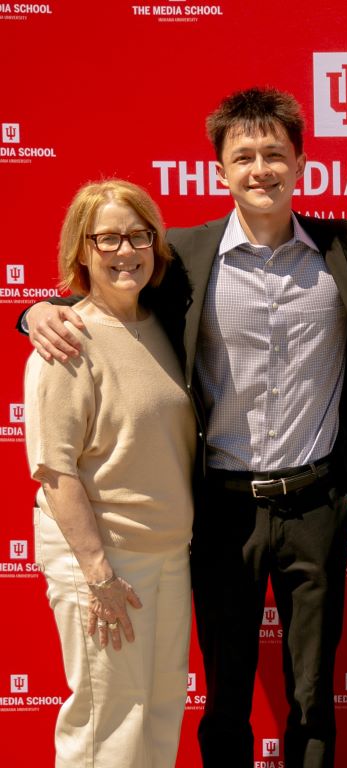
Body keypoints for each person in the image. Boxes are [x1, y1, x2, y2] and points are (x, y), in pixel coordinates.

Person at [21, 88, 347, 768]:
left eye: (275, 153)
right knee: (225, 694)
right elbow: (107, 291)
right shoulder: (182, 254)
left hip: (316, 506)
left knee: (312, 696)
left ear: (301, 161)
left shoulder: (344, 247)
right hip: (218, 511)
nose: (260, 168)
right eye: (244, 156)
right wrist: (36, 309)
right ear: (220, 170)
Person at [23, 180, 196, 768]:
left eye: (138, 234)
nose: (126, 251)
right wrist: (98, 575)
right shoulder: (65, 340)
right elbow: (55, 470)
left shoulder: (164, 322)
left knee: (160, 712)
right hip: (105, 561)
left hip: (169, 555)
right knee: (106, 727)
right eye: (108, 239)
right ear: (82, 251)